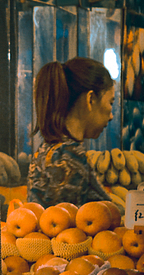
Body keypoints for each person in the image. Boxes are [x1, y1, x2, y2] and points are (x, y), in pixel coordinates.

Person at [26, 57, 116, 207]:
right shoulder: (67, 158)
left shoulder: (52, 149)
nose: (111, 116)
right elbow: (65, 224)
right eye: (110, 103)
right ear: (91, 99)